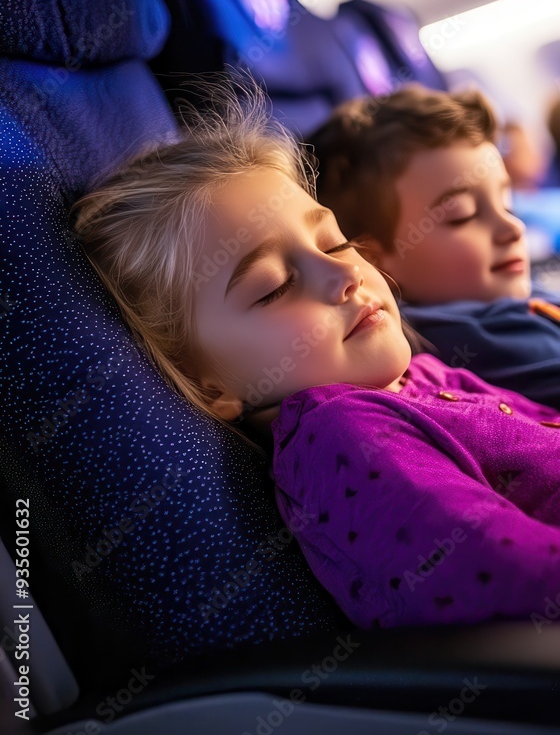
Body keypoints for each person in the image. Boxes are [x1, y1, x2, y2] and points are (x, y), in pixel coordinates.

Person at [70, 88, 560, 631]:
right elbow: (507, 580)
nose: (346, 273)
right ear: (206, 385)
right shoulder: (344, 436)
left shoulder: (417, 375)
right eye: (275, 287)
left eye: (332, 244)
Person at [309, 84, 560, 407]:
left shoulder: (492, 294)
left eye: (506, 204)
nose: (513, 227)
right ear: (374, 260)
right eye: (462, 216)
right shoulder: (470, 337)